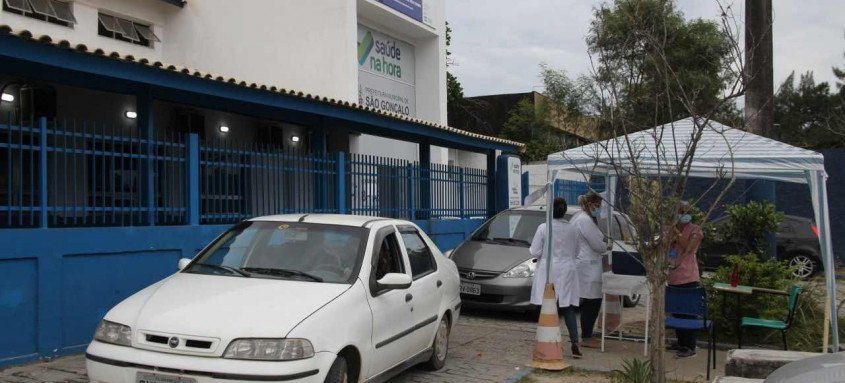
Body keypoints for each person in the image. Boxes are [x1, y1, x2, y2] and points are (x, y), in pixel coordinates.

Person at [529, 197, 583, 358]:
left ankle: (547, 339)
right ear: (565, 211)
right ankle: (574, 342)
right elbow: (577, 251)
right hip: (567, 269)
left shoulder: (543, 228)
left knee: (545, 306)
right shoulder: (573, 229)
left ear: (550, 211)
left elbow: (535, 251)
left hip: (548, 269)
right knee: (568, 307)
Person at [574, 192, 613, 349]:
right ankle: (586, 336)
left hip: (585, 264)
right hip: (588, 265)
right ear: (589, 204)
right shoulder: (585, 220)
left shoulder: (580, 217)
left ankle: (585, 334)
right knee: (593, 301)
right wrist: (607, 246)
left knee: (589, 301)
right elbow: (598, 244)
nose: (598, 209)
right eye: (597, 206)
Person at [667, 201, 705, 358]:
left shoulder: (695, 230)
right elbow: (664, 246)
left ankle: (690, 345)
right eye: (681, 210)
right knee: (676, 311)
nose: (684, 213)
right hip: (673, 276)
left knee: (688, 313)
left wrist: (676, 231)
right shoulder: (669, 229)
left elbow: (687, 247)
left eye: (686, 210)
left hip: (688, 277)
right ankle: (680, 342)